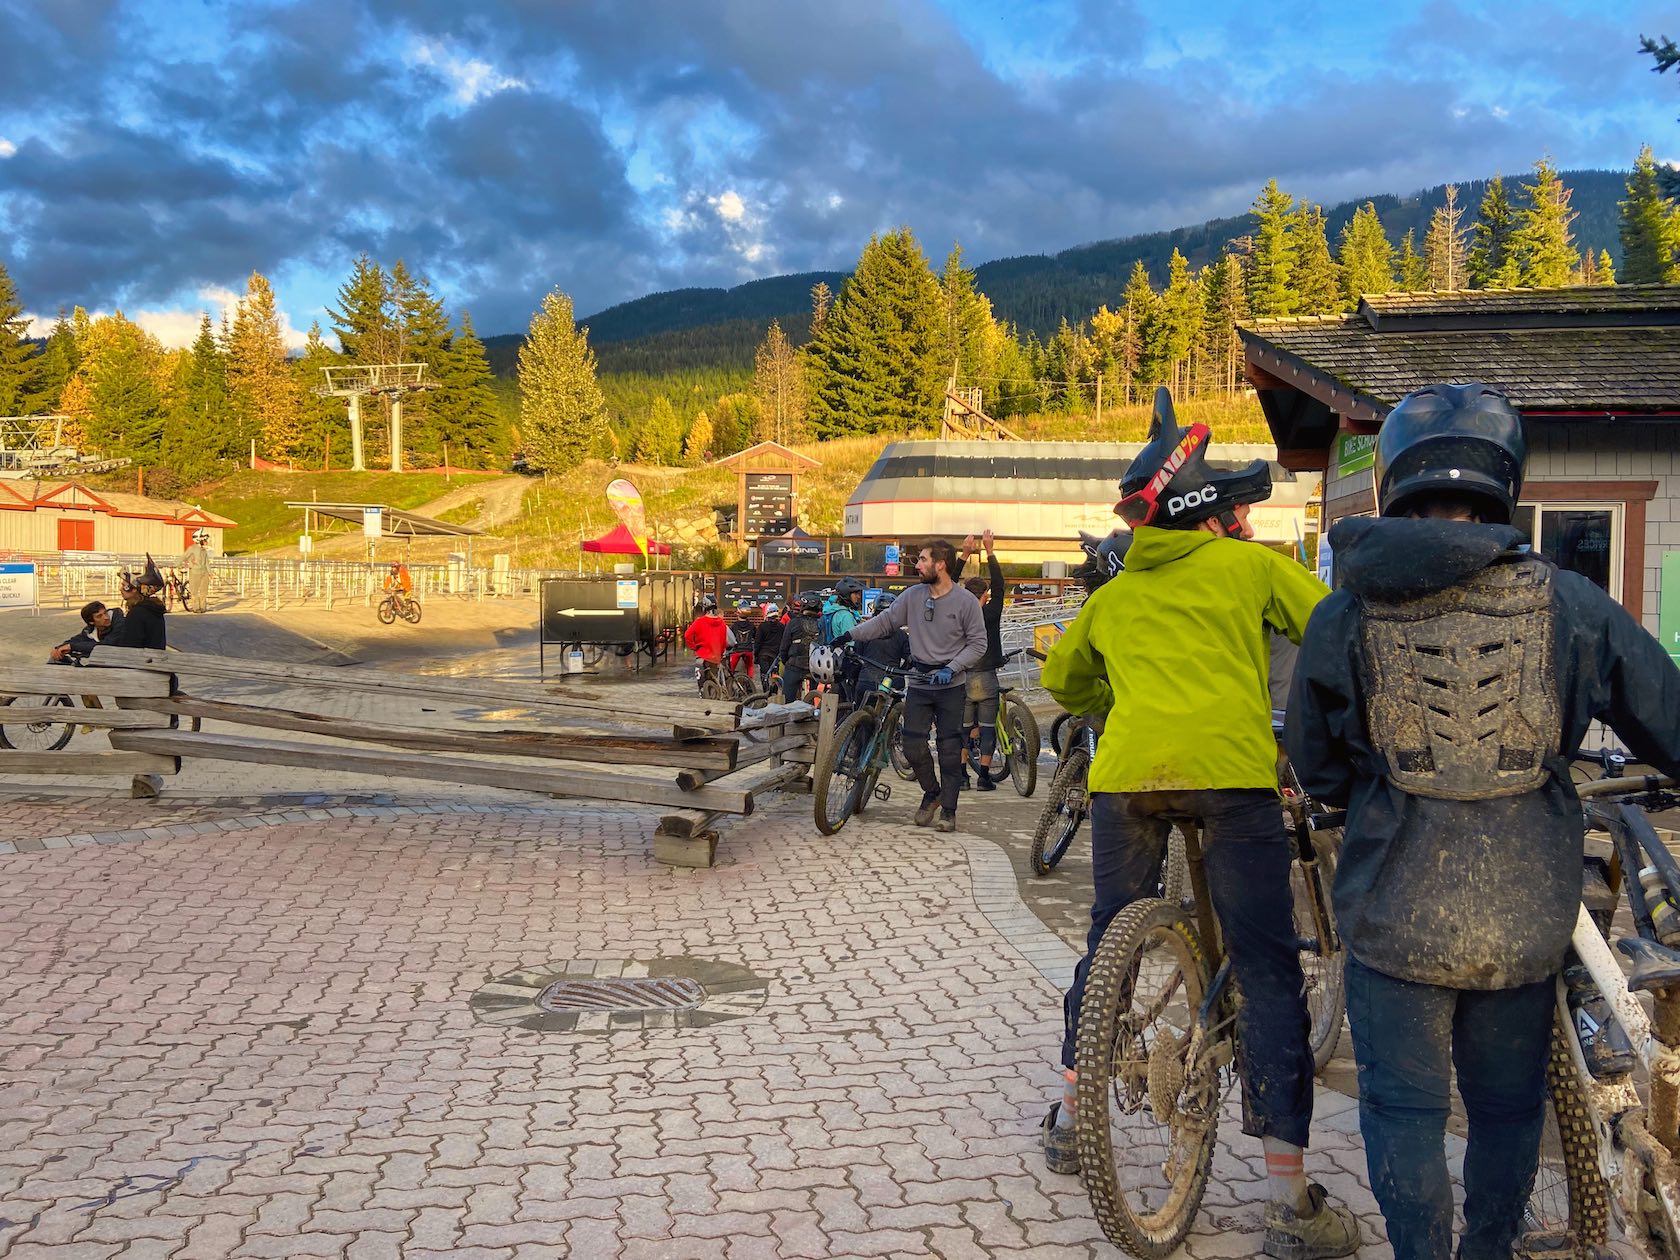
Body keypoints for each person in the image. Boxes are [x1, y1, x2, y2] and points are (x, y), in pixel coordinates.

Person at [1284, 382, 1680, 1260]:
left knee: (1403, 1112)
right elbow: (1668, 716)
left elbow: (1315, 765)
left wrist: (1377, 794)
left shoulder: (1344, 611)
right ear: (1506, 483)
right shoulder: (1571, 602)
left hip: (1393, 911)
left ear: (1393, 482)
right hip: (1524, 912)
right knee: (1506, 1111)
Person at [1040, 388, 1354, 1259]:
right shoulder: (1248, 570)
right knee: (1266, 968)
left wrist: (1121, 700)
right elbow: (1330, 628)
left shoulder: (1113, 597)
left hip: (1127, 780)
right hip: (1232, 778)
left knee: (1110, 938)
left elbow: (1066, 683)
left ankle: (1073, 1118)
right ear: (1206, 510)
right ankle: (1289, 1203)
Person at [834, 540, 987, 833]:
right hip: (919, 681)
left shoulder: (966, 602)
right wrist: (849, 635)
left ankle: (950, 811)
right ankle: (932, 793)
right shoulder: (913, 596)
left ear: (940, 564)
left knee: (949, 749)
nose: (916, 565)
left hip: (950, 684)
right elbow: (885, 623)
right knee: (913, 745)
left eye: (922, 560)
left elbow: (979, 644)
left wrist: (952, 668)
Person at [956, 530, 1005, 791]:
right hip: (987, 677)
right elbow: (1000, 585)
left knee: (962, 729)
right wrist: (990, 550)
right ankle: (984, 777)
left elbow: (948, 583)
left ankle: (962, 776)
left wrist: (964, 554)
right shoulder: (991, 613)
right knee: (987, 728)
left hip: (962, 676)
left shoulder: (957, 612)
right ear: (985, 595)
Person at [851, 591, 910, 699]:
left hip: (867, 680)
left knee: (858, 711)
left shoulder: (866, 631)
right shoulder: (901, 635)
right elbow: (910, 659)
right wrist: (898, 672)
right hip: (893, 682)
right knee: (893, 713)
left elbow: (856, 657)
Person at [109, 557, 168, 650]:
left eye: (124, 586)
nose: (121, 589)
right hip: (153, 660)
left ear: (135, 590)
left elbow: (129, 645)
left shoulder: (137, 613)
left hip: (141, 662)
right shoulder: (153, 609)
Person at [777, 591, 824, 702]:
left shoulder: (793, 623)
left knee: (787, 699)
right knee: (814, 698)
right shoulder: (822, 624)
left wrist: (785, 660)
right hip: (815, 668)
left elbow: (784, 647)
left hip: (795, 666)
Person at [49, 601, 123, 663]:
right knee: (55, 659)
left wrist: (73, 647)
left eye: (105, 613)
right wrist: (58, 648)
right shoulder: (90, 630)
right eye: (99, 616)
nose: (106, 618)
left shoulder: (119, 623)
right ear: (91, 622)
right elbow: (77, 639)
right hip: (106, 662)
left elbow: (105, 645)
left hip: (123, 660)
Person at [683, 595, 729, 689]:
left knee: (702, 684)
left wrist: (694, 647)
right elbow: (723, 641)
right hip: (716, 657)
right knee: (715, 683)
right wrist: (721, 652)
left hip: (702, 657)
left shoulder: (699, 622)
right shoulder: (722, 622)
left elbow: (687, 635)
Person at [181, 529, 212, 613]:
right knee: (194, 591)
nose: (206, 542)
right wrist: (189, 564)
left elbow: (207, 562)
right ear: (199, 540)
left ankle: (203, 607)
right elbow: (184, 557)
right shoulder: (192, 549)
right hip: (195, 573)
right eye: (205, 540)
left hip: (204, 573)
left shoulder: (204, 551)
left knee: (203, 592)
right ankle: (196, 608)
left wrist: (210, 573)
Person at [754, 601, 785, 683]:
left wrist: (756, 655)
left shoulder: (762, 626)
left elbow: (757, 642)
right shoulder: (782, 627)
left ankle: (766, 692)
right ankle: (773, 692)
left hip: (763, 654)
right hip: (776, 655)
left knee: (764, 676)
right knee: (775, 676)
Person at [727, 601, 759, 680]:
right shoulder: (752, 626)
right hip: (748, 650)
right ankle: (750, 683)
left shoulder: (734, 626)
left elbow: (729, 639)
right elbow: (756, 637)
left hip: (737, 650)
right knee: (750, 667)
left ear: (738, 613)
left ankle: (730, 683)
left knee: (730, 670)